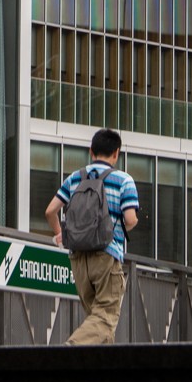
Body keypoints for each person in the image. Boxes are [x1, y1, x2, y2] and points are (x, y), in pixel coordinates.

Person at [45, 127, 140, 345]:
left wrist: (60, 235)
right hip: (106, 255)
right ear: (116, 153)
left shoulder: (74, 178)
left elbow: (50, 212)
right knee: (105, 319)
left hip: (78, 259)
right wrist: (120, 228)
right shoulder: (124, 180)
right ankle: (70, 347)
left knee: (99, 326)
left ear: (91, 151)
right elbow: (131, 218)